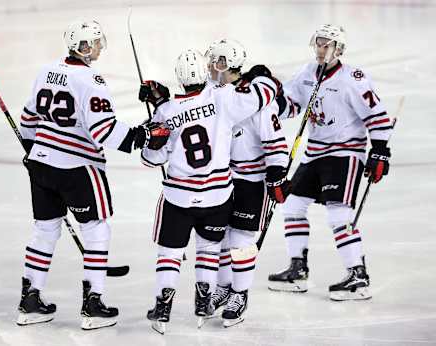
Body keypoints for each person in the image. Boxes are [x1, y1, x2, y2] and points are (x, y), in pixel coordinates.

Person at [16, 19, 169, 329]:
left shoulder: (46, 70)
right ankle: (93, 304)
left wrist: (32, 149)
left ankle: (29, 301)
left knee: (45, 229)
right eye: (96, 42)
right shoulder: (91, 80)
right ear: (83, 47)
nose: (100, 47)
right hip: (78, 168)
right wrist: (144, 136)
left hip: (42, 165)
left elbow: (28, 117)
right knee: (97, 229)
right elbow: (104, 131)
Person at [138, 49, 280, 334]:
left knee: (185, 250)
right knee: (215, 246)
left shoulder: (169, 110)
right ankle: (209, 297)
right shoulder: (224, 97)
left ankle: (232, 294)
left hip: (195, 191)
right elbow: (268, 91)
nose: (217, 66)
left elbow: (151, 158)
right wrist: (261, 82)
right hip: (219, 190)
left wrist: (157, 114)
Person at [267, 24, 393, 301]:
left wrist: (380, 150)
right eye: (319, 44)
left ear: (339, 49)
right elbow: (291, 105)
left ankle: (357, 276)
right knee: (293, 205)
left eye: (327, 45)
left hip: (345, 153)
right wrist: (271, 94)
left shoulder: (353, 79)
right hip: (316, 151)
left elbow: (377, 115)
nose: (321, 49)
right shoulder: (306, 73)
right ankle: (297, 269)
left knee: (339, 213)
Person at [203, 39, 291, 327]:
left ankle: (239, 294)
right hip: (220, 178)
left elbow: (275, 141)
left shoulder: (255, 100)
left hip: (251, 180)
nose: (209, 65)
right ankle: (223, 287)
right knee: (221, 237)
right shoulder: (213, 93)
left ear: (224, 64)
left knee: (240, 240)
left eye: (214, 60)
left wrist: (277, 173)